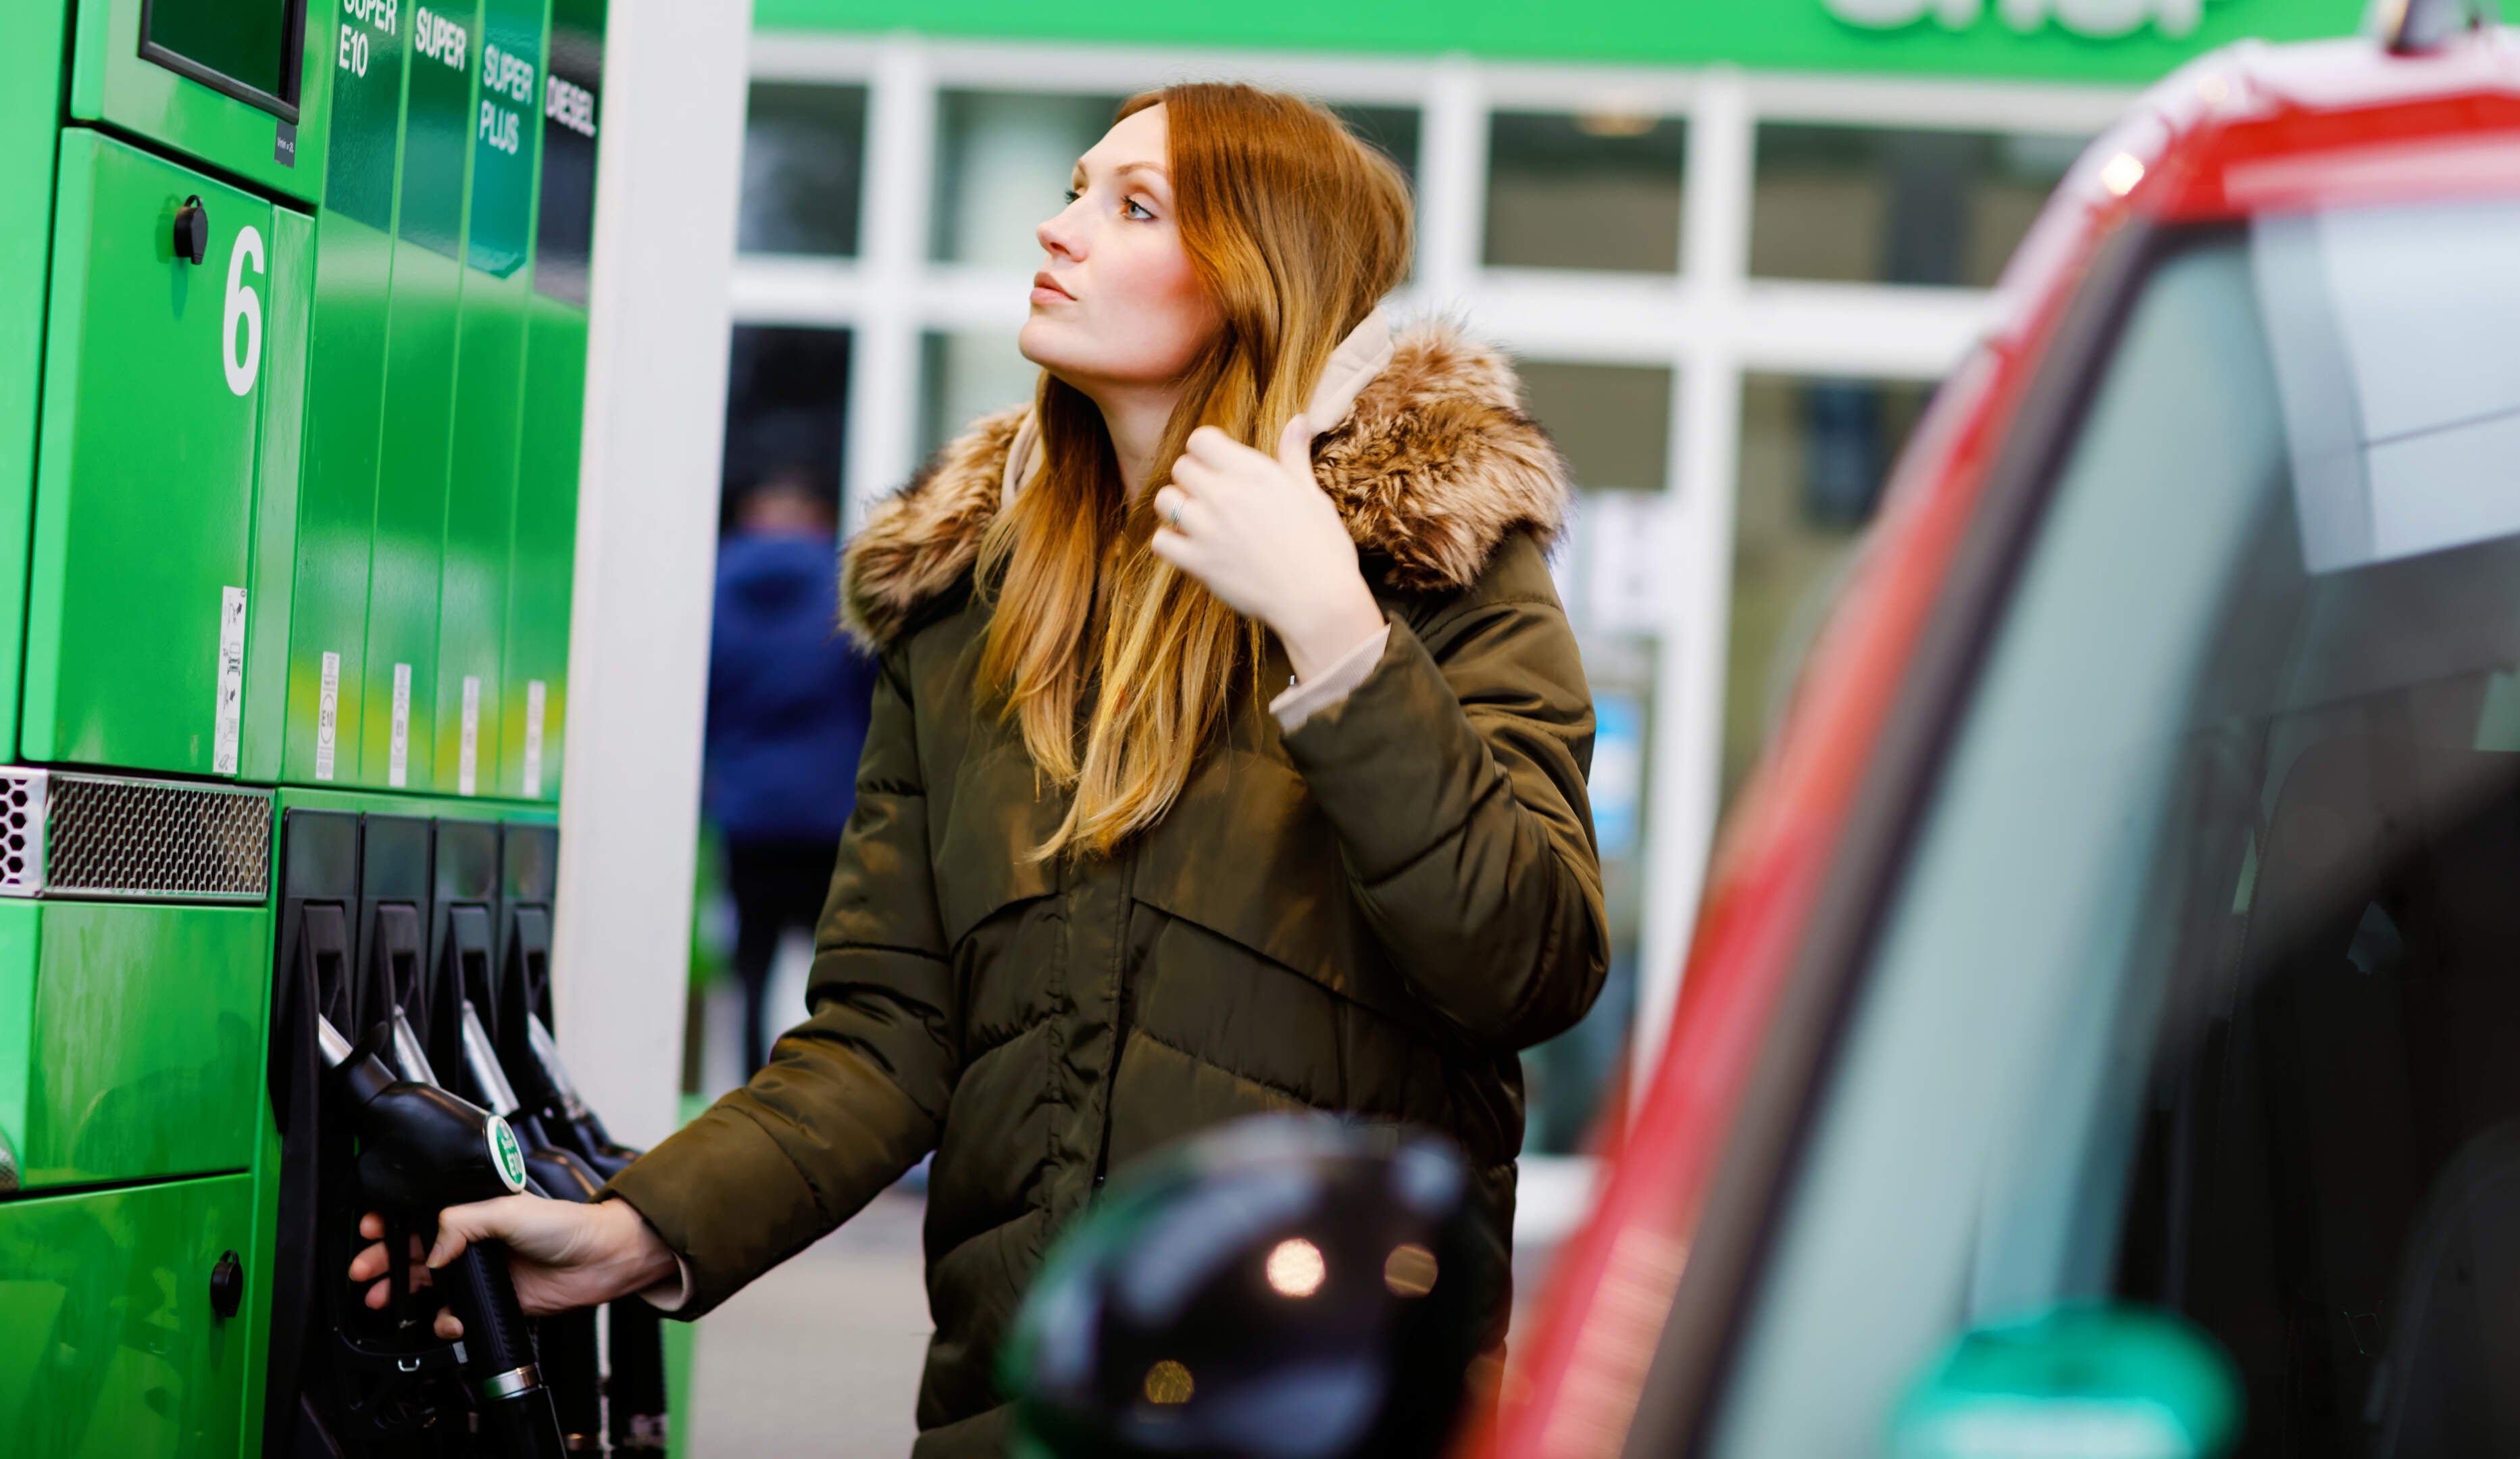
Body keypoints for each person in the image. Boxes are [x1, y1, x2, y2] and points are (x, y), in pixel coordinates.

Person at [353, 82, 1609, 1456]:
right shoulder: (963, 612)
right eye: (1075, 185)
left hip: (1323, 1403)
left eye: (1130, 208)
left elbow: (1527, 966)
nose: (1057, 228)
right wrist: (640, 1228)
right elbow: (886, 1035)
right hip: (1019, 1406)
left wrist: (1334, 636)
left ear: (1261, 276)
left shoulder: (1430, 570)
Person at [703, 469, 880, 1075]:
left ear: (752, 511)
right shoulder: (844, 588)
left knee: (750, 973)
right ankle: (822, 1088)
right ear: (813, 513)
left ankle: (753, 1094)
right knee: (832, 970)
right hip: (827, 814)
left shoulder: (714, 588)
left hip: (747, 813)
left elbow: (705, 701)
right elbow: (871, 698)